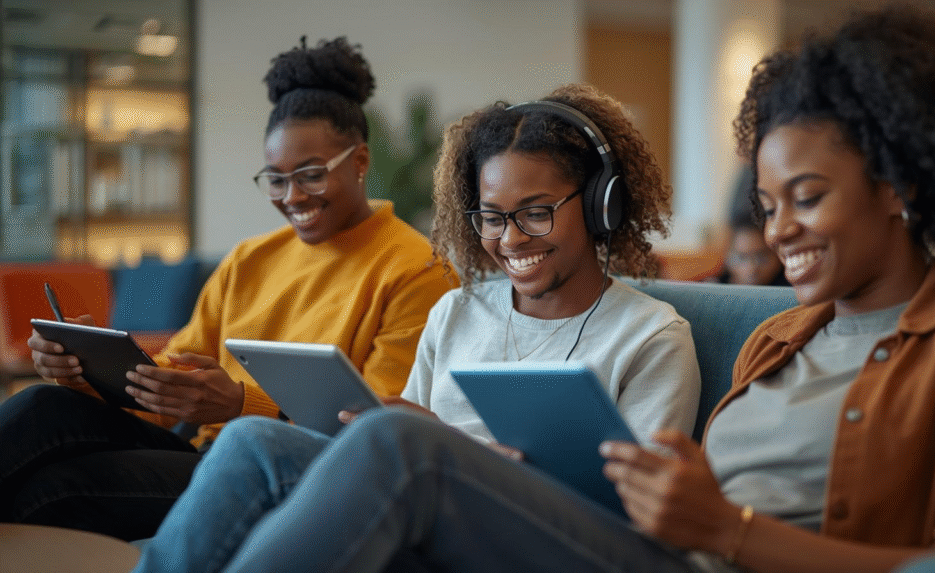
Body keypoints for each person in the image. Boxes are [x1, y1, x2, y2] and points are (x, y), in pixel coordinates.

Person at [139, 6, 935, 572]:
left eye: (808, 197)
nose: (775, 231)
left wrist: (724, 526)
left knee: (403, 448)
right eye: (765, 203)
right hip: (649, 543)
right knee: (260, 442)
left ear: (902, 182)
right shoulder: (778, 337)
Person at [132, 83, 702, 572]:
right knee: (252, 440)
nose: (511, 239)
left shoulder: (650, 338)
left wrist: (454, 452)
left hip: (559, 548)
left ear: (603, 205)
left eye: (535, 212)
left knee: (401, 440)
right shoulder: (458, 312)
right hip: (431, 529)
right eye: (491, 217)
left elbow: (646, 516)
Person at [0, 37, 454, 541]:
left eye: (310, 175)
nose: (292, 196)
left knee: (54, 489)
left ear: (361, 160)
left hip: (291, 470)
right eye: (275, 180)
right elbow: (167, 381)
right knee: (42, 405)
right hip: (201, 451)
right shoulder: (250, 259)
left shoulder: (416, 270)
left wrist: (240, 402)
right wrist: (85, 371)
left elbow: (378, 428)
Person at [714, 205, 788, 286]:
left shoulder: (793, 290)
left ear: (779, 255)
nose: (751, 269)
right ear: (727, 258)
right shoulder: (713, 288)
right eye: (741, 258)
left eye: (761, 258)